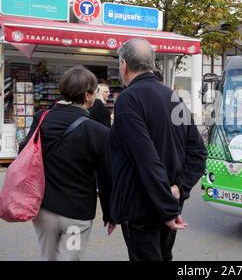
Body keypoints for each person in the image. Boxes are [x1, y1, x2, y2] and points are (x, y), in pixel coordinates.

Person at [109, 39, 207, 261]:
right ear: (152, 65)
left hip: (143, 207)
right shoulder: (174, 98)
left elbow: (147, 159)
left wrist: (168, 206)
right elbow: (199, 152)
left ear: (124, 65)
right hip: (168, 202)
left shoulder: (127, 99)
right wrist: (177, 189)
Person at [19, 66, 115, 261]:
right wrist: (109, 213)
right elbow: (106, 177)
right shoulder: (97, 131)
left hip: (44, 209)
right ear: (87, 95)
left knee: (48, 257)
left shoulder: (41, 118)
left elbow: (23, 152)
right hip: (76, 213)